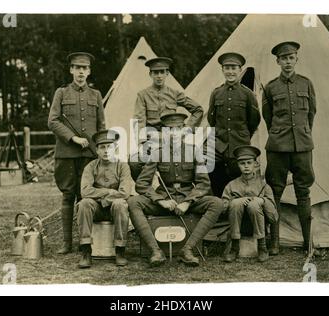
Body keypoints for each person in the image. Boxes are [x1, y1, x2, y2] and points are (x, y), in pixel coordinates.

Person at [128, 113, 224, 267]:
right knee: (133, 202)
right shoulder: (157, 153)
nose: (173, 133)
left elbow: (204, 184)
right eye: (169, 129)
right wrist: (160, 200)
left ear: (184, 131)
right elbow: (142, 184)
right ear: (164, 132)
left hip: (187, 200)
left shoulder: (194, 151)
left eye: (177, 129)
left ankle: (187, 250)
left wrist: (188, 202)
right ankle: (155, 251)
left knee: (217, 203)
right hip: (165, 201)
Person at [48, 52, 106, 255]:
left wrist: (100, 149)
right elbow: (53, 121)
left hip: (88, 156)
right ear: (71, 70)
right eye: (77, 68)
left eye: (85, 68)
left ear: (89, 71)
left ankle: (85, 243)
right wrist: (72, 138)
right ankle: (66, 243)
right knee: (67, 196)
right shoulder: (61, 93)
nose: (81, 72)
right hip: (66, 154)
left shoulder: (96, 95)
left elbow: (101, 126)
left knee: (85, 198)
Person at [262, 41, 317, 255]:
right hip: (277, 147)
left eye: (291, 57)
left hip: (302, 146)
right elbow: (268, 118)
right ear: (277, 61)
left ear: (296, 59)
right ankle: (274, 242)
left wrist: (302, 135)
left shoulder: (306, 84)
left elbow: (311, 114)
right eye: (283, 58)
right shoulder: (271, 87)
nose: (287, 62)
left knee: (303, 191)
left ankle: (308, 243)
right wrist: (280, 135)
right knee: (275, 191)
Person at [130, 57, 204, 180]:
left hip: (174, 139)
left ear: (167, 73)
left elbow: (198, 109)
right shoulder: (143, 95)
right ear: (150, 74)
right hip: (152, 139)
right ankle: (147, 192)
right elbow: (139, 120)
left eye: (162, 72)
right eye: (155, 72)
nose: (159, 76)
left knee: (193, 160)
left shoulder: (174, 93)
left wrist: (187, 129)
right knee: (135, 162)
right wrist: (143, 142)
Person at [76, 130, 133, 268]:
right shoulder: (90, 167)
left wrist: (104, 199)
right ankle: (86, 250)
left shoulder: (123, 166)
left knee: (120, 204)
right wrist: (108, 192)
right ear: (97, 150)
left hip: (115, 210)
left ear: (116, 148)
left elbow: (125, 192)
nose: (106, 151)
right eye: (102, 147)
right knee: (84, 203)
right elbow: (85, 191)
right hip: (96, 209)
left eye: (110, 146)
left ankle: (120, 250)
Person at [207, 52, 261, 197]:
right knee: (212, 172)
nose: (230, 72)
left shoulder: (247, 94)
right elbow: (211, 119)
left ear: (239, 70)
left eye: (234, 68)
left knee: (239, 178)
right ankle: (220, 206)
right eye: (227, 68)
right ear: (223, 70)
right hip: (220, 144)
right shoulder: (216, 93)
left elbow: (254, 120)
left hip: (240, 144)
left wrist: (242, 135)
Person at [222, 145, 278, 263]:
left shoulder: (263, 185)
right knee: (236, 204)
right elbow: (223, 208)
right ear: (238, 165)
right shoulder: (231, 185)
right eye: (242, 163)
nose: (246, 166)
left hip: (259, 224)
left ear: (255, 164)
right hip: (237, 225)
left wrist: (262, 201)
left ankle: (262, 247)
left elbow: (274, 217)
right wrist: (236, 202)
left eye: (249, 162)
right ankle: (235, 247)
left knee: (254, 205)